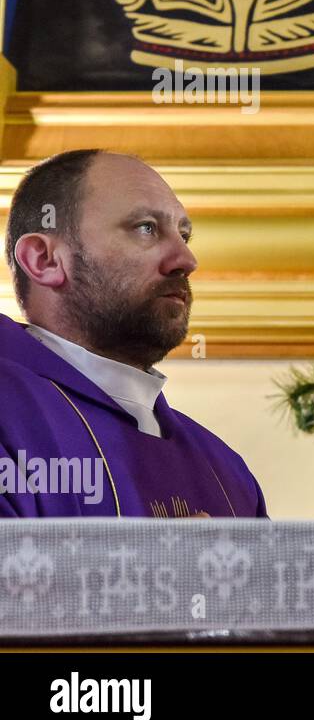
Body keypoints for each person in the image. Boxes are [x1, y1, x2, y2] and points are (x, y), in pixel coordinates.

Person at [0, 150, 266, 517]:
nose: (187, 260)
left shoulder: (227, 471)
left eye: (185, 235)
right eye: (146, 228)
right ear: (44, 260)